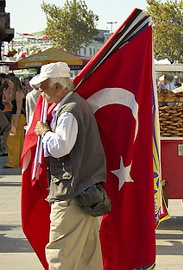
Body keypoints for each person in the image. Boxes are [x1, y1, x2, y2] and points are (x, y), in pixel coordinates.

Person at [32, 62, 105, 269]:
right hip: (85, 192)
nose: (40, 91)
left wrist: (44, 133)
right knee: (87, 256)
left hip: (71, 193)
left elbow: (60, 147)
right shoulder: (75, 105)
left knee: (61, 254)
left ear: (57, 86)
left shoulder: (69, 110)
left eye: (43, 86)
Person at [3, 76, 26, 168]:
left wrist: (15, 122)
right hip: (18, 117)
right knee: (18, 140)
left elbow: (19, 108)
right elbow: (15, 108)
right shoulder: (17, 93)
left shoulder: (18, 93)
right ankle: (18, 161)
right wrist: (9, 99)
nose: (9, 85)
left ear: (14, 83)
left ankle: (13, 162)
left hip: (18, 117)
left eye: (10, 83)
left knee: (12, 140)